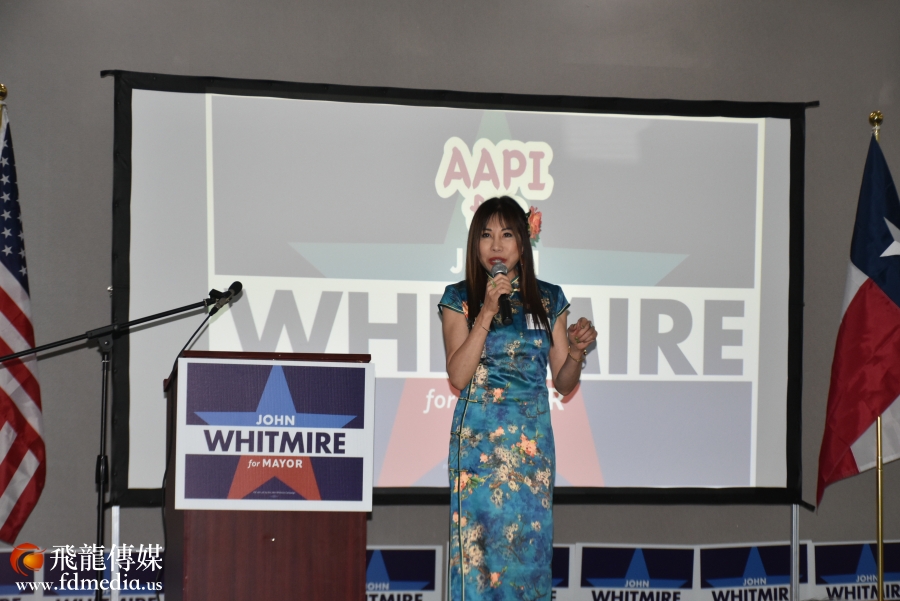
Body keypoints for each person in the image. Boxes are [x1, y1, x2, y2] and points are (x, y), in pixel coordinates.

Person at [439, 196, 597, 600]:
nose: (496, 245)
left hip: (531, 449)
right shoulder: (459, 298)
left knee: (528, 554)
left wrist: (576, 352)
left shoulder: (549, 299)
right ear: (475, 244)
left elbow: (564, 383)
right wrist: (487, 310)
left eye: (507, 234)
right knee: (478, 559)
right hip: (478, 449)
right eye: (486, 235)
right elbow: (458, 375)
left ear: (523, 243)